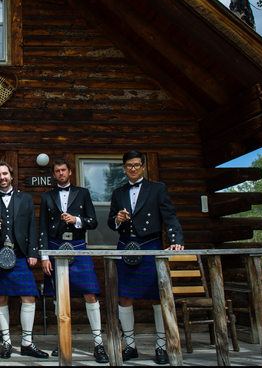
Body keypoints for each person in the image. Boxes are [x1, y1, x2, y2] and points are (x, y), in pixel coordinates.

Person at [107, 150, 184, 365]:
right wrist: (118, 219)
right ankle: (129, 345)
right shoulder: (118, 192)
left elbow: (169, 217)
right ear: (124, 168)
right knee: (124, 297)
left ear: (143, 166)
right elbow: (110, 222)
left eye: (136, 165)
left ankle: (161, 346)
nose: (132, 168)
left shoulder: (157, 189)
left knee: (157, 296)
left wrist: (175, 239)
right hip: (125, 246)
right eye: (129, 165)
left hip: (150, 244)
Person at [39, 158, 108, 363]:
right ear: (53, 174)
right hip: (55, 247)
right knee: (59, 299)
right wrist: (44, 256)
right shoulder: (47, 196)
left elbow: (93, 221)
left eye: (64, 170)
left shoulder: (83, 193)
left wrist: (76, 220)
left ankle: (98, 344)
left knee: (90, 294)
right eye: (57, 171)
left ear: (70, 172)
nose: (61, 173)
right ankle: (63, 342)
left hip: (78, 248)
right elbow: (42, 227)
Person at [0, 161, 48, 359]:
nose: (1, 177)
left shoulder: (25, 198)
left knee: (28, 295)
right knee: (0, 298)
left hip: (20, 254)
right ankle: (6, 342)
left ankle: (27, 343)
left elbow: (31, 226)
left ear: (11, 176)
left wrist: (33, 253)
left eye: (4, 174)